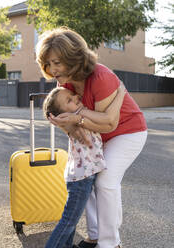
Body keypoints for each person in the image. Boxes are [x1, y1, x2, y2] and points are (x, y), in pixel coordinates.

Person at [36, 27, 148, 248]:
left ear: (73, 57)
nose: (52, 70)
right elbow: (65, 120)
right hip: (97, 135)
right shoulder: (64, 83)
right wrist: (71, 126)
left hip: (127, 132)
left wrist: (76, 119)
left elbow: (109, 123)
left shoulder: (101, 77)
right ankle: (95, 235)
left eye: (57, 62)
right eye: (48, 64)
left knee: (106, 180)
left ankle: (110, 243)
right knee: (85, 176)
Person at [43, 86, 126, 248]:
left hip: (80, 177)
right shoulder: (76, 118)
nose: (75, 98)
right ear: (64, 115)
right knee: (69, 221)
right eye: (69, 100)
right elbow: (108, 118)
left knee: (70, 220)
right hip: (81, 180)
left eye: (73, 95)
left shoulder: (75, 118)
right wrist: (120, 94)